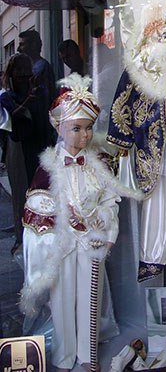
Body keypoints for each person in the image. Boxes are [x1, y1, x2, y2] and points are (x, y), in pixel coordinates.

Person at [20, 73, 143, 372]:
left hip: (92, 238)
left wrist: (106, 229)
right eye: (76, 129)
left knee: (91, 295)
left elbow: (110, 199)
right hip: (61, 243)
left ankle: (87, 354)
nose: (84, 136)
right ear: (59, 128)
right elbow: (37, 208)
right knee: (61, 298)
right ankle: (63, 354)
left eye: (88, 129)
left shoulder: (97, 164)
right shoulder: (46, 169)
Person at [0, 53, 53, 253]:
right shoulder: (6, 96)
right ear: (11, 73)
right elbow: (8, 120)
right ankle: (22, 239)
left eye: (25, 69)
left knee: (43, 193)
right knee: (22, 195)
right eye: (18, 70)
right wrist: (27, 102)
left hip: (40, 146)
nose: (22, 74)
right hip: (19, 149)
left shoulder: (40, 91)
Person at [18, 29, 58, 104]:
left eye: (22, 44)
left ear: (33, 45)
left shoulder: (42, 67)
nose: (18, 49)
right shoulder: (31, 67)